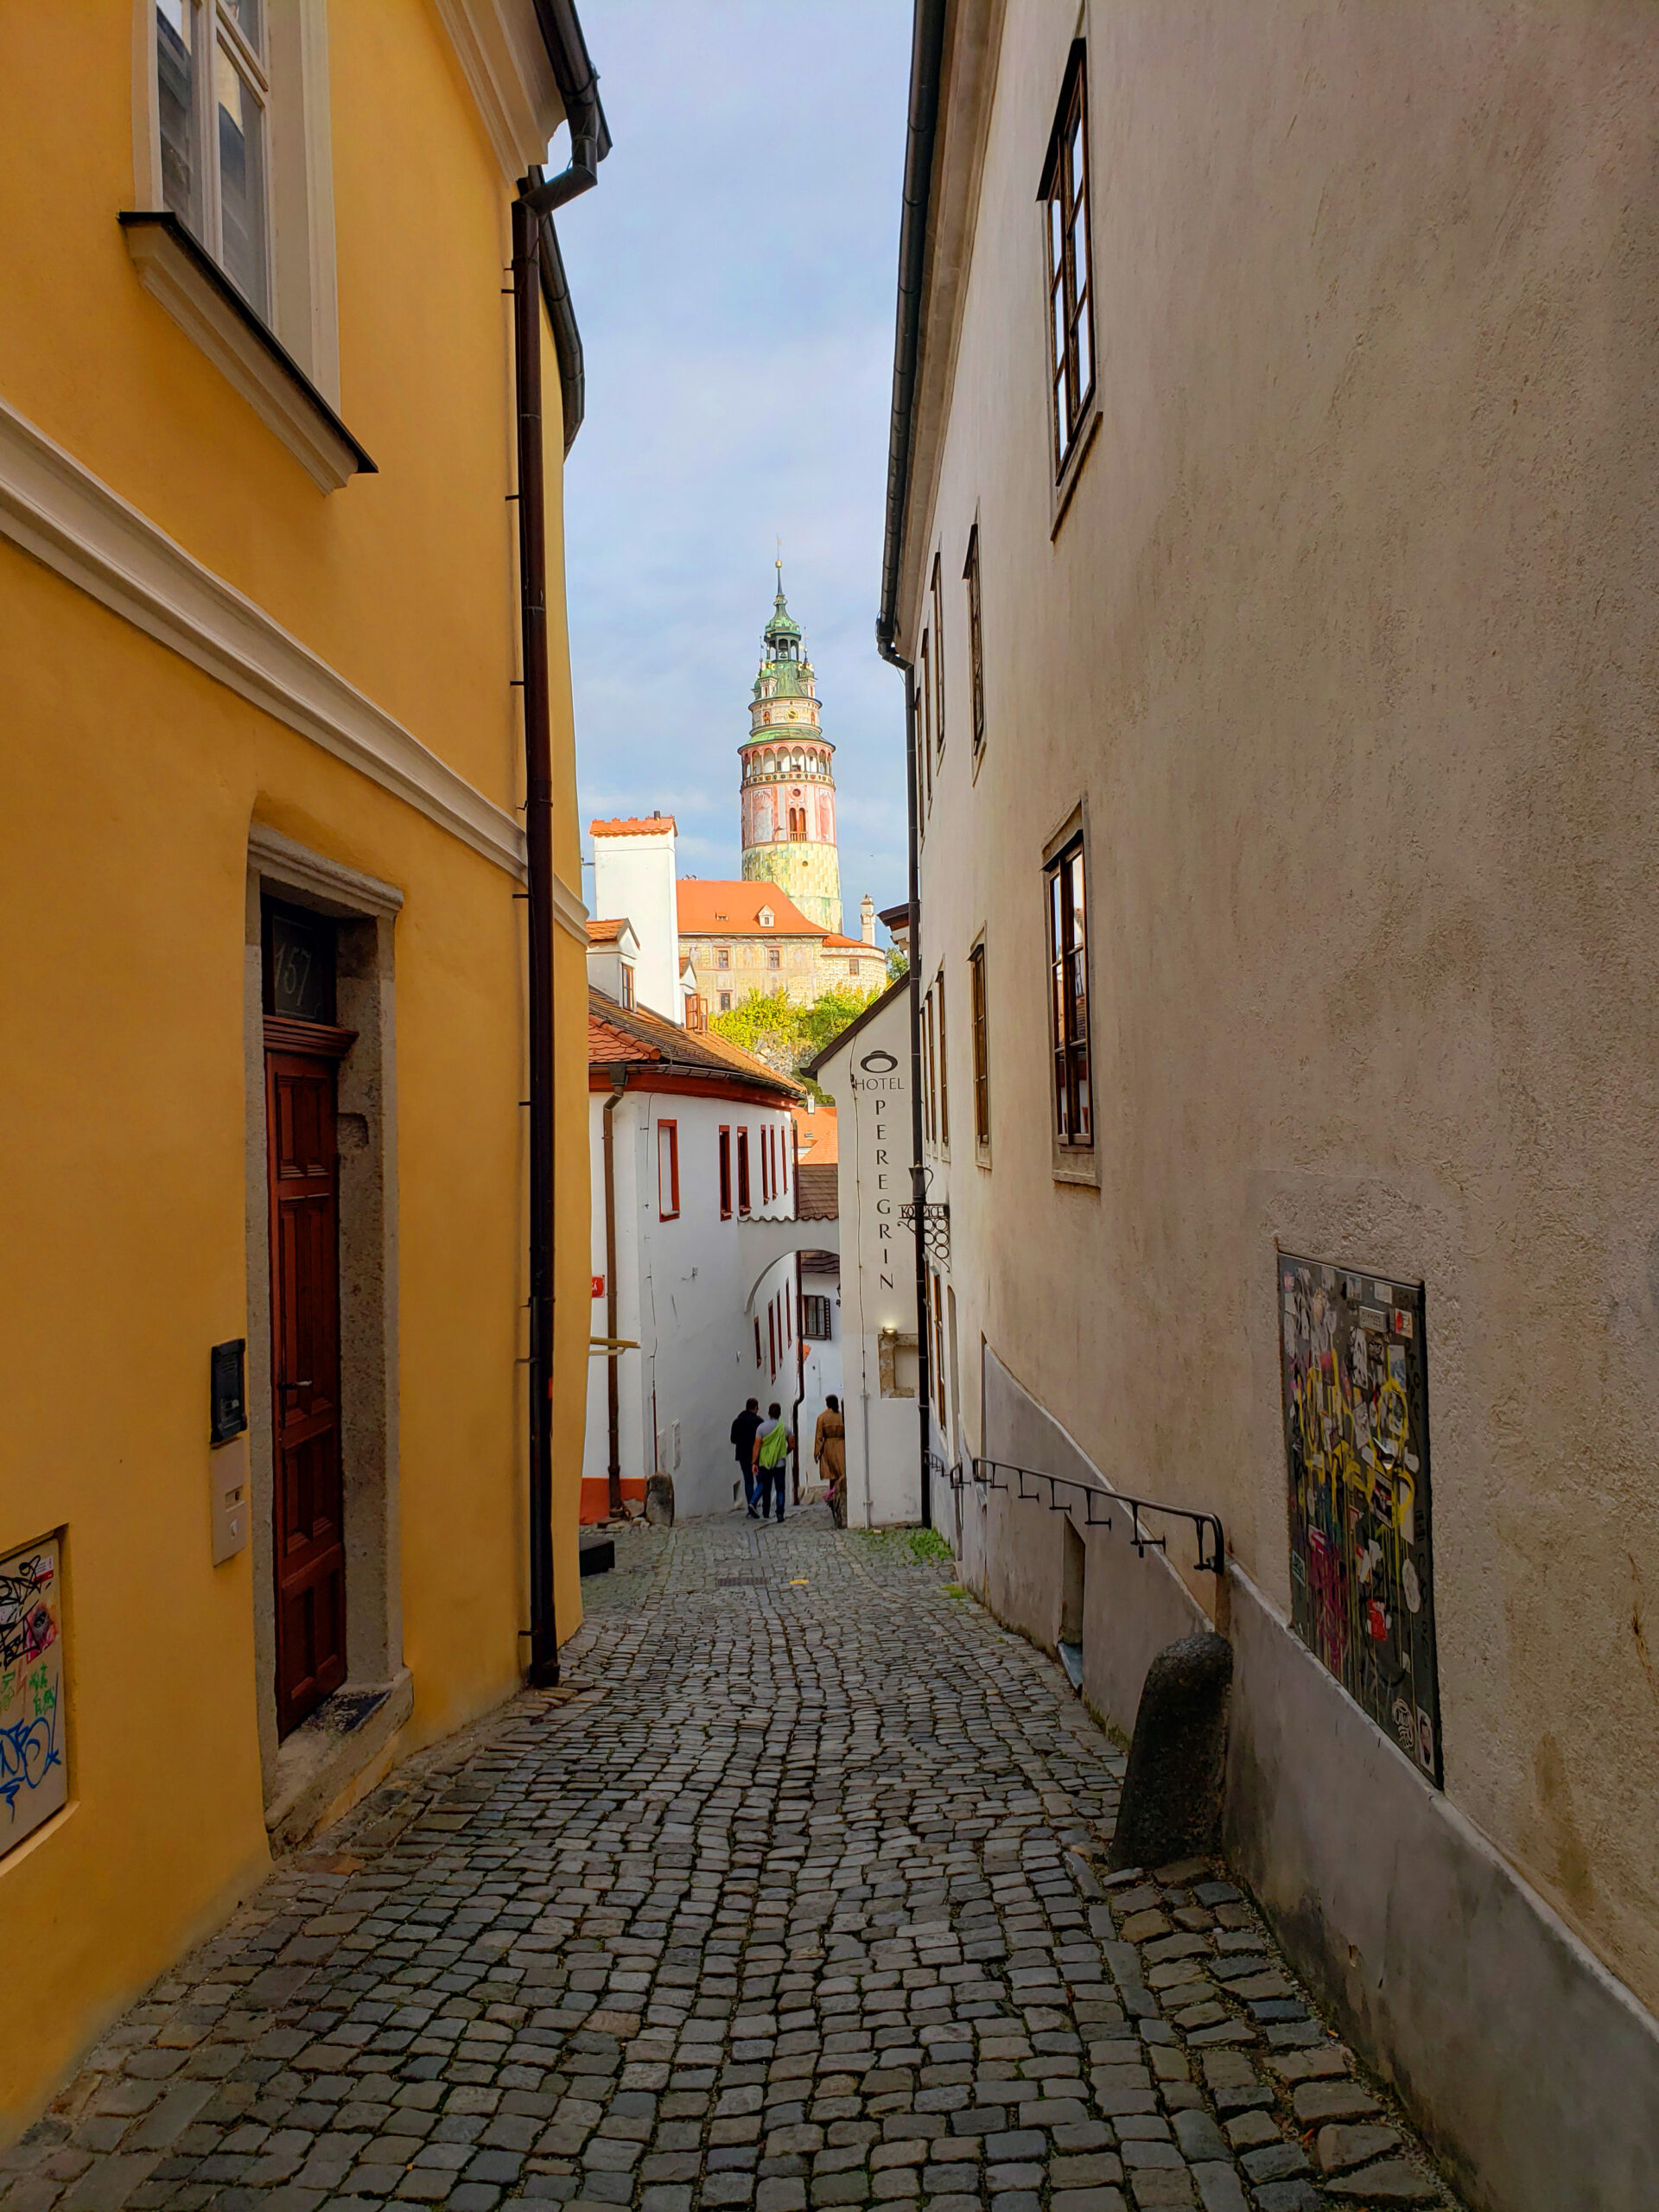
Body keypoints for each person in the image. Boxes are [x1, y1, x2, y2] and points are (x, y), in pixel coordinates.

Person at [753, 1402, 791, 1523]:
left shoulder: (761, 1428)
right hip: (780, 1463)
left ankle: (765, 1512)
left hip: (765, 1463)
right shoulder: (784, 1428)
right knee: (780, 1488)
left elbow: (757, 1446)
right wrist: (784, 1452)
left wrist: (754, 1462)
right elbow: (792, 1444)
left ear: (769, 1413)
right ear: (779, 1413)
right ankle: (780, 1514)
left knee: (766, 1488)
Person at [813, 1395, 846, 1527]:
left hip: (828, 1448)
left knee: (832, 1475)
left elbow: (819, 1436)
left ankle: (834, 1499)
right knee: (841, 1474)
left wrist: (816, 1453)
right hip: (842, 1446)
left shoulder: (822, 1417)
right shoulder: (842, 1416)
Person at [730, 1397, 762, 1517]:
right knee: (761, 1480)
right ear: (755, 1408)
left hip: (743, 1455)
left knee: (748, 1480)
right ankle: (753, 1502)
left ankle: (750, 1508)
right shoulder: (758, 1422)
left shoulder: (737, 1421)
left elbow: (733, 1439)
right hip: (756, 1456)